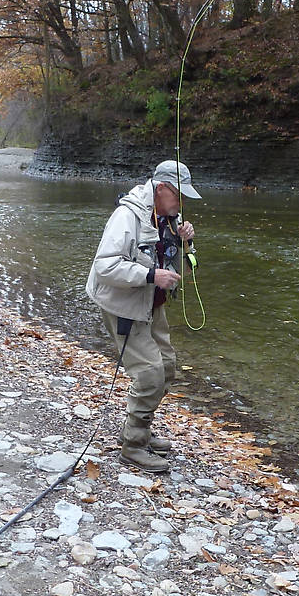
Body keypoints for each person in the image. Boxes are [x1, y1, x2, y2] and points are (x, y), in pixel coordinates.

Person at [86, 160, 201, 472]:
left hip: (151, 303)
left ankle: (139, 430)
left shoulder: (166, 215)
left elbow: (179, 256)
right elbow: (105, 266)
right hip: (125, 305)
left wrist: (183, 238)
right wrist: (152, 276)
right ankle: (133, 446)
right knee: (150, 373)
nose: (182, 202)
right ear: (161, 189)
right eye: (179, 195)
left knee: (166, 367)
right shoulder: (127, 216)